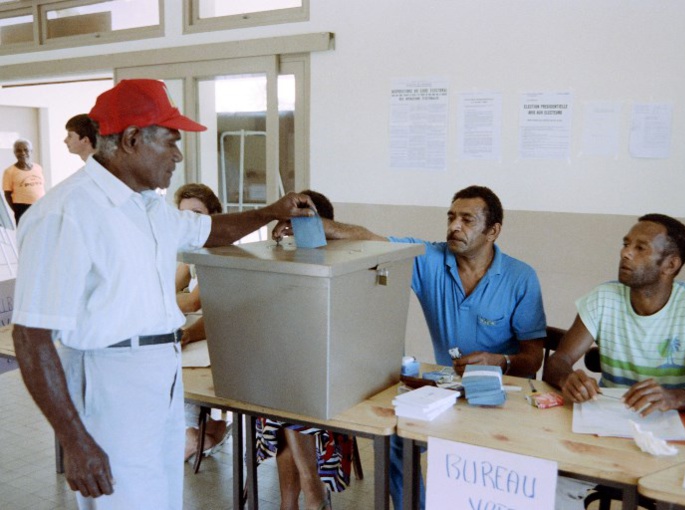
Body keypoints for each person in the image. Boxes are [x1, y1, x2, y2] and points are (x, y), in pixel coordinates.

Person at [11, 78, 316, 509]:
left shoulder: (147, 207)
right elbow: (31, 336)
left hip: (162, 375)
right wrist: (74, 439)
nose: (178, 155)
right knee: (125, 501)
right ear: (132, 139)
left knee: (161, 498)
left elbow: (210, 230)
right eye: (171, 142)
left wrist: (272, 212)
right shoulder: (67, 213)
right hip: (112, 379)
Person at [279, 185, 547, 510]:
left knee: (487, 467)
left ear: (493, 231)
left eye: (467, 220)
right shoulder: (431, 259)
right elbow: (371, 240)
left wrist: (499, 361)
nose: (454, 227)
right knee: (396, 440)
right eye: (451, 217)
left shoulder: (520, 277)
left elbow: (533, 358)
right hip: (450, 387)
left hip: (505, 393)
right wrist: (310, 224)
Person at [543, 213, 685, 416]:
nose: (625, 253)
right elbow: (559, 360)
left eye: (640, 248)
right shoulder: (603, 298)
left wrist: (674, 397)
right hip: (609, 416)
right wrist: (567, 378)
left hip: (673, 422)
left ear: (670, 265)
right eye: (626, 244)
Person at [258, 189, 349, 510]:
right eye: (283, 225)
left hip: (333, 376)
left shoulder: (343, 260)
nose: (285, 232)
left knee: (289, 399)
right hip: (291, 375)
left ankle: (307, 493)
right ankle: (299, 499)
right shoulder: (279, 258)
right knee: (283, 397)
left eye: (293, 225)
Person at [172, 183, 231, 463]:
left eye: (196, 213)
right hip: (200, 324)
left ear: (213, 215)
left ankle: (196, 433)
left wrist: (162, 300)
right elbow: (173, 285)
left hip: (218, 330)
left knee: (180, 365)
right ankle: (197, 432)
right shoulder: (191, 247)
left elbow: (194, 302)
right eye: (183, 214)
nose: (189, 221)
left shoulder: (218, 249)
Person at [3, 139, 45, 224]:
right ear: (14, 153)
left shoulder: (38, 168)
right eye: (18, 150)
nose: (22, 153)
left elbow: (41, 188)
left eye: (26, 150)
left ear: (31, 151)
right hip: (22, 208)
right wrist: (16, 210)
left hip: (41, 206)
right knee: (25, 236)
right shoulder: (9, 171)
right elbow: (7, 194)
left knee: (41, 234)